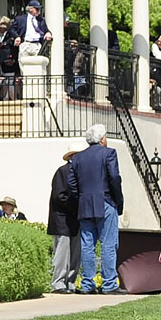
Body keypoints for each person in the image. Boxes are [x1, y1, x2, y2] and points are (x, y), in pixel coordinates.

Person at [68, 124, 124, 295]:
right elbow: (114, 178)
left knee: (87, 245)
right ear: (102, 139)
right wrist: (117, 200)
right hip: (105, 201)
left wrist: (82, 197)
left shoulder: (78, 158)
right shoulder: (109, 153)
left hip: (85, 204)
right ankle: (109, 284)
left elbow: (71, 183)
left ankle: (87, 283)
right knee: (108, 243)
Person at [49, 141, 84, 294]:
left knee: (75, 253)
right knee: (62, 253)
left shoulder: (80, 172)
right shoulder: (63, 171)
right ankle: (58, 283)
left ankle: (70, 282)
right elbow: (59, 196)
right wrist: (77, 207)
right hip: (62, 219)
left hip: (75, 219)